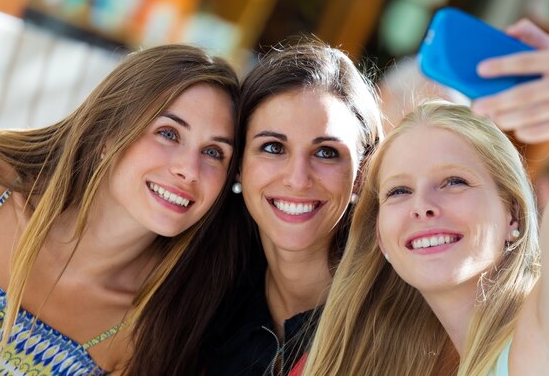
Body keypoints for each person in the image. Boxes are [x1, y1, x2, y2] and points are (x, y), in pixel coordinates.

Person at [300, 21, 549, 376]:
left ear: (513, 215)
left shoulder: (544, 337)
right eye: (399, 191)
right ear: (381, 239)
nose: (423, 205)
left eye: (454, 181)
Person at [0, 44, 239, 375]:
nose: (190, 170)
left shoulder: (153, 329)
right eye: (169, 133)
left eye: (214, 153)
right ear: (109, 134)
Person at [127, 40, 384, 376]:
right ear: (237, 166)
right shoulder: (202, 301)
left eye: (326, 153)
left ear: (361, 174)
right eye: (273, 147)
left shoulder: (394, 312)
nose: (297, 178)